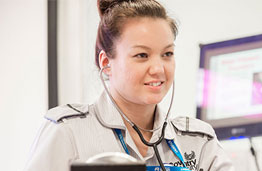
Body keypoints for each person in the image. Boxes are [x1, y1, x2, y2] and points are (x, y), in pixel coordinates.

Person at [24, 0, 235, 171]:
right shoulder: (67, 132)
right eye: (141, 55)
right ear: (106, 63)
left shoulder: (198, 141)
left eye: (167, 54)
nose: (159, 69)